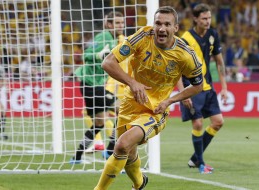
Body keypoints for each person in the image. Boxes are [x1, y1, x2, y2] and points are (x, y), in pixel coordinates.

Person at [94, 6, 203, 190]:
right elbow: (108, 62)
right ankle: (139, 183)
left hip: (155, 110)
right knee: (127, 152)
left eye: (167, 24)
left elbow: (198, 85)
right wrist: (132, 83)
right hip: (130, 103)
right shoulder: (143, 37)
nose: (161, 28)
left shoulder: (185, 54)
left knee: (121, 145)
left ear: (175, 28)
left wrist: (170, 100)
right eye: (158, 23)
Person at [177, 3, 228, 174]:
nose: (208, 21)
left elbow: (220, 62)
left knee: (218, 122)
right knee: (198, 123)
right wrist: (183, 93)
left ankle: (195, 158)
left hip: (208, 87)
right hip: (191, 88)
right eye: (204, 18)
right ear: (195, 19)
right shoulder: (185, 39)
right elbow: (177, 69)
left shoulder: (213, 34)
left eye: (209, 18)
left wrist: (224, 88)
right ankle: (201, 164)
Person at [70, 11, 125, 163]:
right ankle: (109, 151)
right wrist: (98, 55)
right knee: (123, 111)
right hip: (91, 85)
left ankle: (77, 157)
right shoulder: (104, 37)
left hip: (93, 85)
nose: (121, 25)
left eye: (122, 22)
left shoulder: (115, 40)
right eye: (117, 23)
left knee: (99, 123)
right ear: (109, 24)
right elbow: (85, 55)